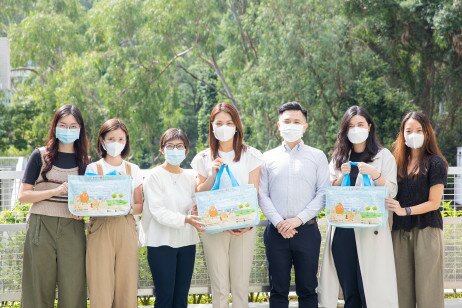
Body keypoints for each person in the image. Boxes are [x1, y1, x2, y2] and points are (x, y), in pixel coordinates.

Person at [318, 105, 399, 308]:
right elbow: (327, 193)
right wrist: (340, 177)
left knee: (371, 291)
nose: (356, 129)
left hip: (371, 230)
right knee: (349, 290)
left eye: (360, 124)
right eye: (351, 125)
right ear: (345, 130)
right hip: (343, 231)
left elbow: (392, 191)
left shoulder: (384, 156)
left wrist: (374, 174)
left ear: (369, 127)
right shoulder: (338, 158)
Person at [191, 102, 264, 308]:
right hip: (213, 228)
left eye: (229, 122)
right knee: (220, 286)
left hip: (243, 228)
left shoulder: (251, 155)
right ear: (212, 126)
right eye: (219, 122)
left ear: (237, 126)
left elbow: (254, 192)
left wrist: (246, 223)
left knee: (240, 286)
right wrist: (212, 173)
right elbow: (199, 193)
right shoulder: (203, 157)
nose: (224, 127)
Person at [258, 102, 330, 308]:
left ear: (305, 126)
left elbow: (323, 193)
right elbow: (262, 194)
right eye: (287, 121)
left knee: (308, 290)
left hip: (307, 232)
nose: (292, 125)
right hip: (276, 233)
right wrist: (280, 222)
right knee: (277, 291)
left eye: (297, 121)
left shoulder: (317, 156)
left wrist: (298, 220)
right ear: (278, 125)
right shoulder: (267, 157)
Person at [18, 105, 89, 308]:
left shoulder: (86, 161)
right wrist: (53, 192)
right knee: (37, 288)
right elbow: (23, 196)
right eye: (63, 125)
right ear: (55, 126)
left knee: (74, 289)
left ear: (80, 129)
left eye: (73, 126)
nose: (68, 130)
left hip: (73, 228)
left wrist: (82, 212)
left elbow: (89, 200)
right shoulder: (40, 156)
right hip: (41, 225)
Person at [386, 112, 447, 308]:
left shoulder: (436, 163)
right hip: (399, 232)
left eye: (419, 130)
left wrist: (406, 210)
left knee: (428, 292)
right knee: (401, 291)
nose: (414, 134)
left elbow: (434, 202)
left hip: (427, 232)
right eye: (409, 130)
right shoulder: (395, 164)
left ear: (427, 133)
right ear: (402, 135)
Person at [141, 128, 203, 308]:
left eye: (179, 146)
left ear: (186, 150)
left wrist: (197, 210)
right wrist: (186, 219)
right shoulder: (153, 176)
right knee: (165, 295)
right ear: (162, 149)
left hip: (187, 242)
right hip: (161, 243)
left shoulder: (190, 177)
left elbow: (194, 203)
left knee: (181, 296)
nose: (175, 150)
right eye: (170, 146)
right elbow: (157, 211)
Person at [85, 118, 143, 308]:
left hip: (126, 225)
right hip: (101, 227)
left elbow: (139, 205)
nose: (116, 143)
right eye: (111, 138)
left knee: (127, 284)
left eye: (120, 139)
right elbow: (87, 203)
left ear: (126, 141)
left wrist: (123, 207)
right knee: (100, 285)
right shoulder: (93, 168)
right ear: (102, 141)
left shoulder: (132, 169)